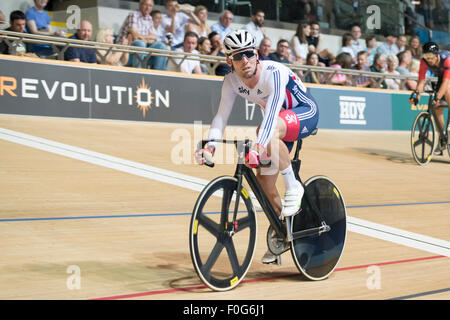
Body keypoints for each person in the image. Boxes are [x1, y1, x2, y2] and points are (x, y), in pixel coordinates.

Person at [195, 30, 319, 264]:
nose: (245, 61)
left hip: (305, 112)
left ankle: (294, 187)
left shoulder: (274, 72)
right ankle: (285, 231)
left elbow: (272, 114)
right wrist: (209, 145)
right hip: (280, 124)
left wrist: (259, 146)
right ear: (229, 61)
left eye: (249, 54)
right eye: (238, 57)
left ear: (257, 54)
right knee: (264, 181)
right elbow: (221, 116)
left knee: (263, 132)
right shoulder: (231, 81)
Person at [409, 42, 450, 155]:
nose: (429, 60)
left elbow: (446, 82)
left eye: (431, 57)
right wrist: (417, 94)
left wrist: (438, 96)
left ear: (437, 55)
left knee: (446, 89)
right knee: (436, 108)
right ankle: (442, 138)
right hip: (442, 78)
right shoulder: (424, 61)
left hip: (448, 77)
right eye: (426, 57)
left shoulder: (446, 59)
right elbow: (421, 80)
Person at [116, 0, 167, 70]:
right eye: (146, 5)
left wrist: (142, 37)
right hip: (126, 45)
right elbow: (134, 37)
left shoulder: (149, 18)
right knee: (140, 44)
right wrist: (147, 38)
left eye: (150, 6)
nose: (148, 8)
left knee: (161, 46)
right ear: (140, 5)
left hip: (145, 45)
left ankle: (159, 72)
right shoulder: (133, 15)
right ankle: (138, 71)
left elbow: (154, 38)